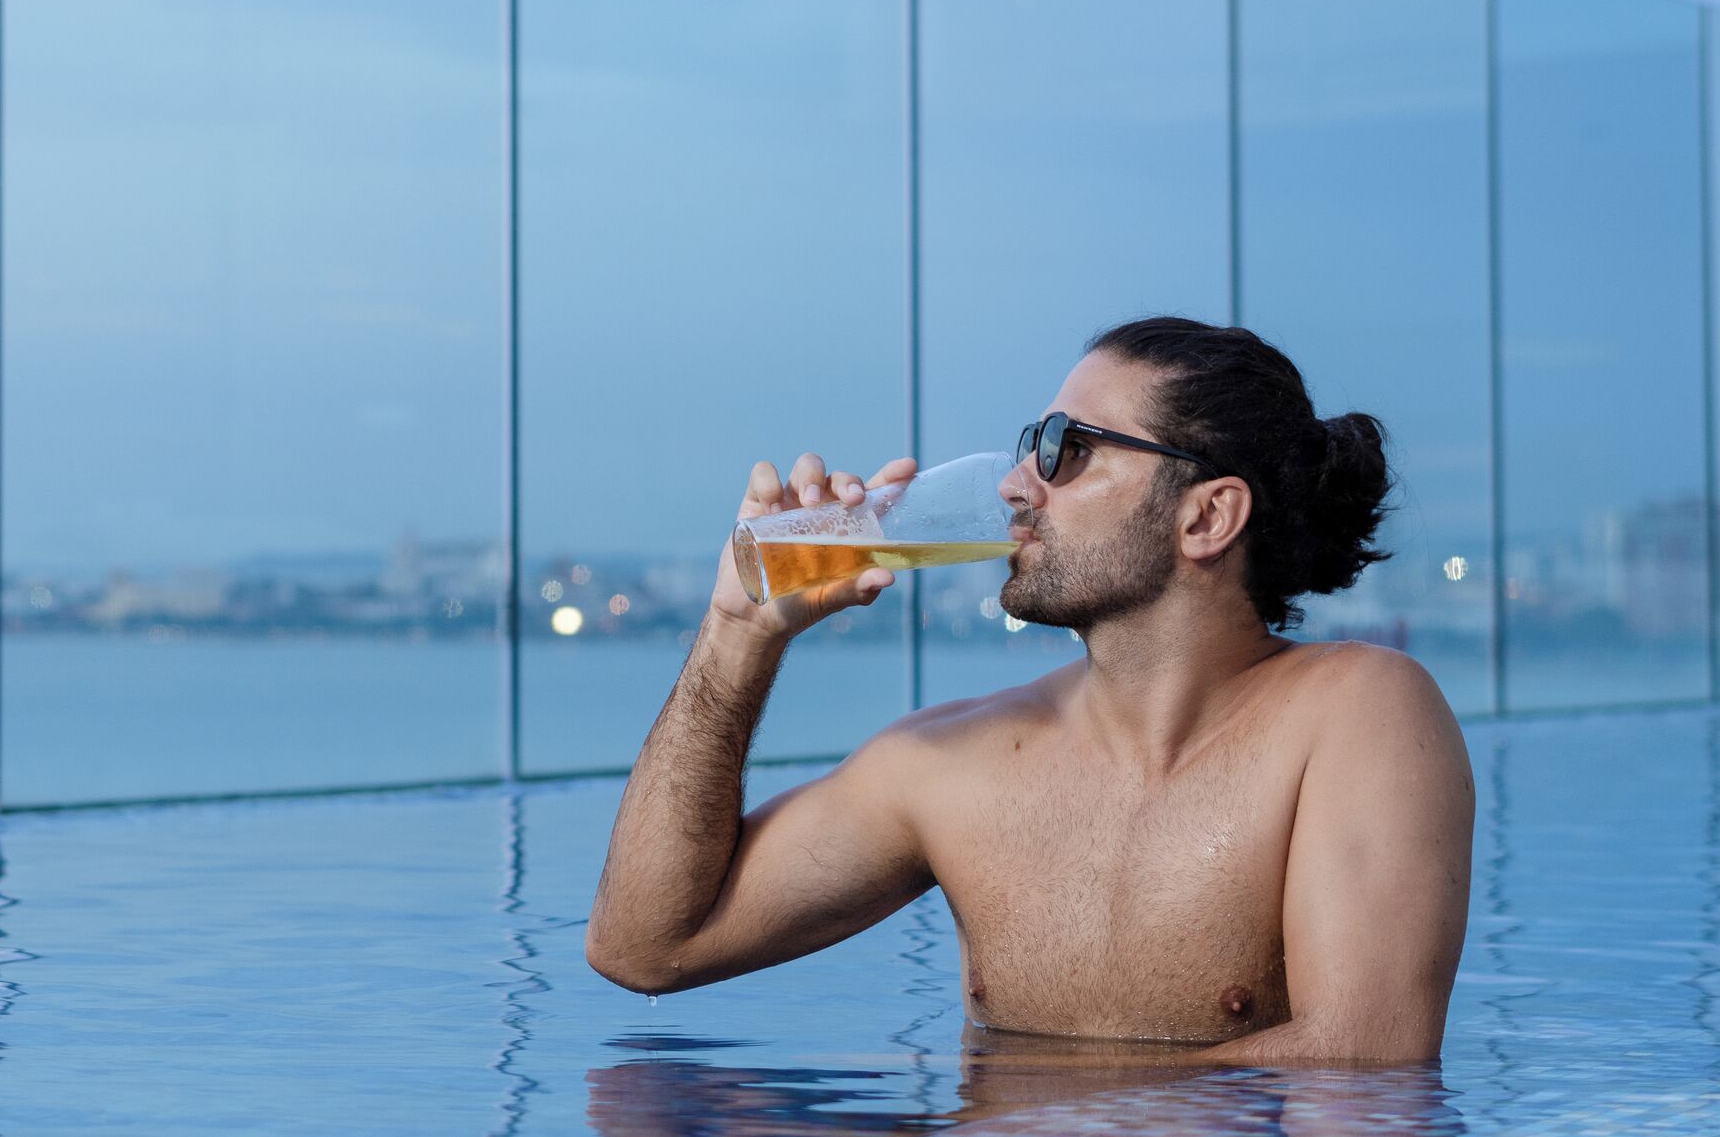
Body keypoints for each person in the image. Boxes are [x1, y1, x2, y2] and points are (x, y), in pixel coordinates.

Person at [583, 317, 1472, 1061]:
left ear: (1206, 516)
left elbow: (1365, 1060)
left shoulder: (1357, 713)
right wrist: (736, 636)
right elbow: (644, 948)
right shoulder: (951, 767)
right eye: (1028, 446)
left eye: (1065, 450)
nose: (1016, 485)